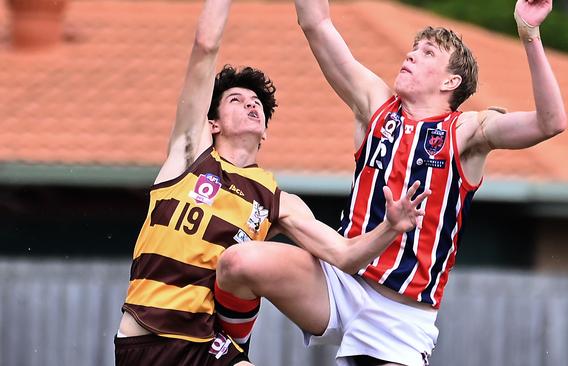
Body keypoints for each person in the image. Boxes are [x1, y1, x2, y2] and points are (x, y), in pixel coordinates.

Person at [215, 0, 567, 364]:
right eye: (413, 48)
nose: (411, 55)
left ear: (451, 81)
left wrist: (529, 32)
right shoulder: (376, 104)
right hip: (338, 284)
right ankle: (224, 356)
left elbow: (550, 122)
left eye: (427, 52)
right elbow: (315, 22)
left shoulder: (466, 131)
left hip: (399, 316)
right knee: (238, 263)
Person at [114, 0, 430, 364]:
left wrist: (391, 228)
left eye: (257, 105)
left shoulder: (279, 202)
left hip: (207, 345)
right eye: (237, 99)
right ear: (212, 123)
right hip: (146, 341)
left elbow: (344, 255)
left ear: (264, 132)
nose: (251, 106)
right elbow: (205, 44)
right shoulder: (189, 155)